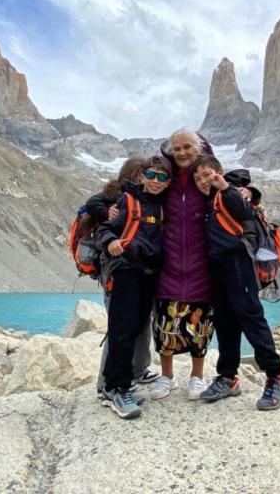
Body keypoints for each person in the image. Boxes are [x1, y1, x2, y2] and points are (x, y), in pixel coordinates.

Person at [192, 154, 280, 411]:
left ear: (218, 174)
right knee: (225, 321)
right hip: (218, 267)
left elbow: (245, 211)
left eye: (207, 174)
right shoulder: (206, 200)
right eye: (198, 177)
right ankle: (228, 377)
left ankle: (276, 375)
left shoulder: (228, 193)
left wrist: (226, 187)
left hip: (238, 262)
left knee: (250, 317)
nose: (203, 180)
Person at [95, 156, 171, 419]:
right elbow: (104, 229)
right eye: (151, 175)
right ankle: (116, 388)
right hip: (126, 271)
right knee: (122, 330)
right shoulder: (127, 201)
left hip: (149, 275)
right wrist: (110, 242)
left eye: (162, 177)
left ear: (168, 182)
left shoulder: (163, 207)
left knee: (137, 327)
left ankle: (119, 385)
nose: (155, 181)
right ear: (142, 176)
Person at [150, 129, 215, 401]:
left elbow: (233, 188)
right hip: (169, 262)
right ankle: (167, 377)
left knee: (201, 327)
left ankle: (197, 378)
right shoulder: (165, 176)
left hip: (202, 264)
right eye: (177, 148)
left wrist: (249, 193)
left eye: (187, 147)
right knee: (165, 324)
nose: (182, 153)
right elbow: (137, 189)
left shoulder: (208, 175)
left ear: (198, 148)